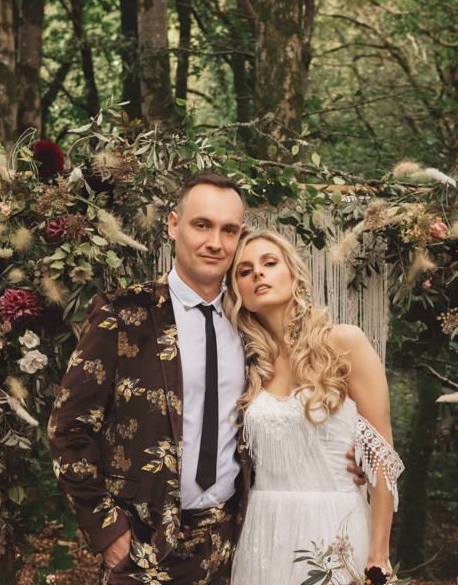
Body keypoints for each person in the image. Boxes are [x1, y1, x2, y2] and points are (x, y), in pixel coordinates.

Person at [48, 174, 365, 585]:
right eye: (202, 225)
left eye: (228, 230)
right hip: (142, 543)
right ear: (173, 225)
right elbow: (68, 429)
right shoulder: (122, 314)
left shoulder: (253, 326)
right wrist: (108, 530)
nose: (215, 242)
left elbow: (294, 407)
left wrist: (354, 450)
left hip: (231, 545)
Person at [226, 229, 404, 585]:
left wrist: (378, 555)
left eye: (269, 263)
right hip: (266, 530)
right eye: (244, 271)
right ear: (238, 294)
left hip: (335, 525)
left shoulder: (344, 342)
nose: (257, 273)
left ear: (294, 274)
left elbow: (381, 456)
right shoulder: (246, 364)